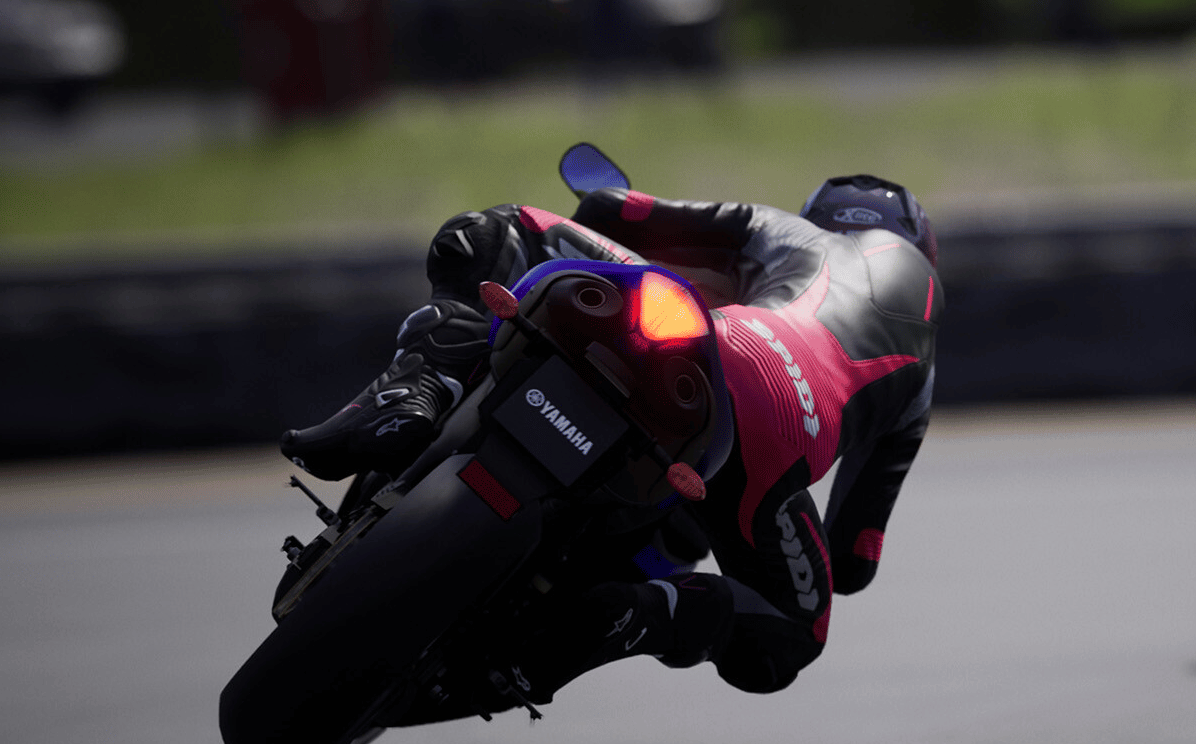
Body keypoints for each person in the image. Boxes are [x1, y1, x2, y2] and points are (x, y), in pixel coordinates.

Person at [280, 172, 940, 701]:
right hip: (773, 445)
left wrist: (632, 219)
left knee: (491, 231)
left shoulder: (796, 232)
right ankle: (631, 615)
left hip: (723, 347)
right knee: (793, 633)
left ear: (825, 217)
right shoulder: (922, 377)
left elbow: (616, 209)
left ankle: (417, 388)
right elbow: (853, 559)